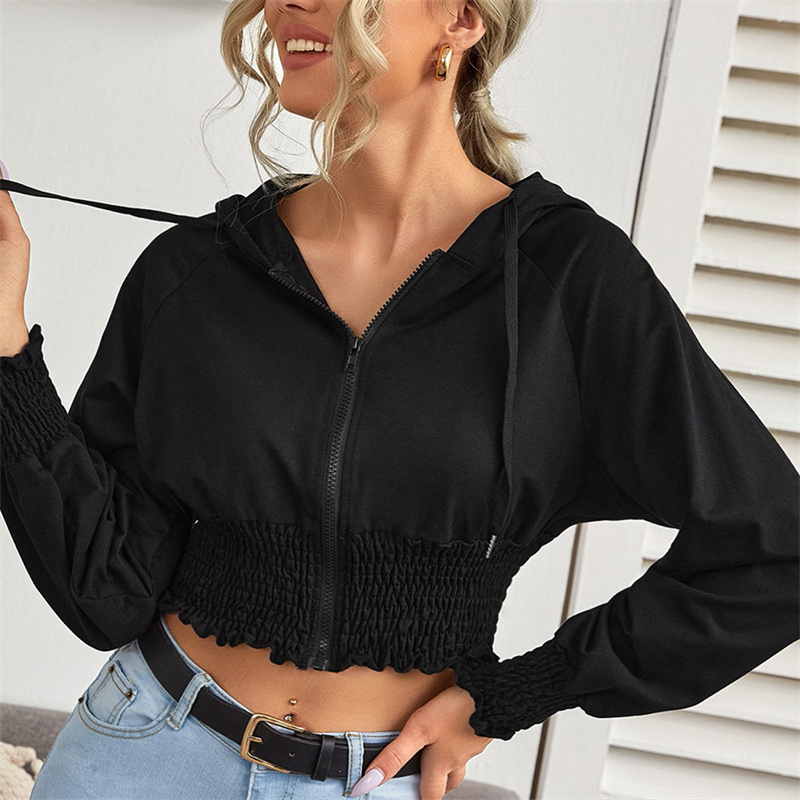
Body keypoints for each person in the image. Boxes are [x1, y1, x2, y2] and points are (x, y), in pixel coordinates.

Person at [0, 0, 797, 799]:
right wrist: (5, 353)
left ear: (461, 19)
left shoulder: (567, 282)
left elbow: (774, 546)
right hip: (139, 755)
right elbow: (106, 593)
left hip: (377, 780)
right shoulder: (194, 273)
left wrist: (514, 694)